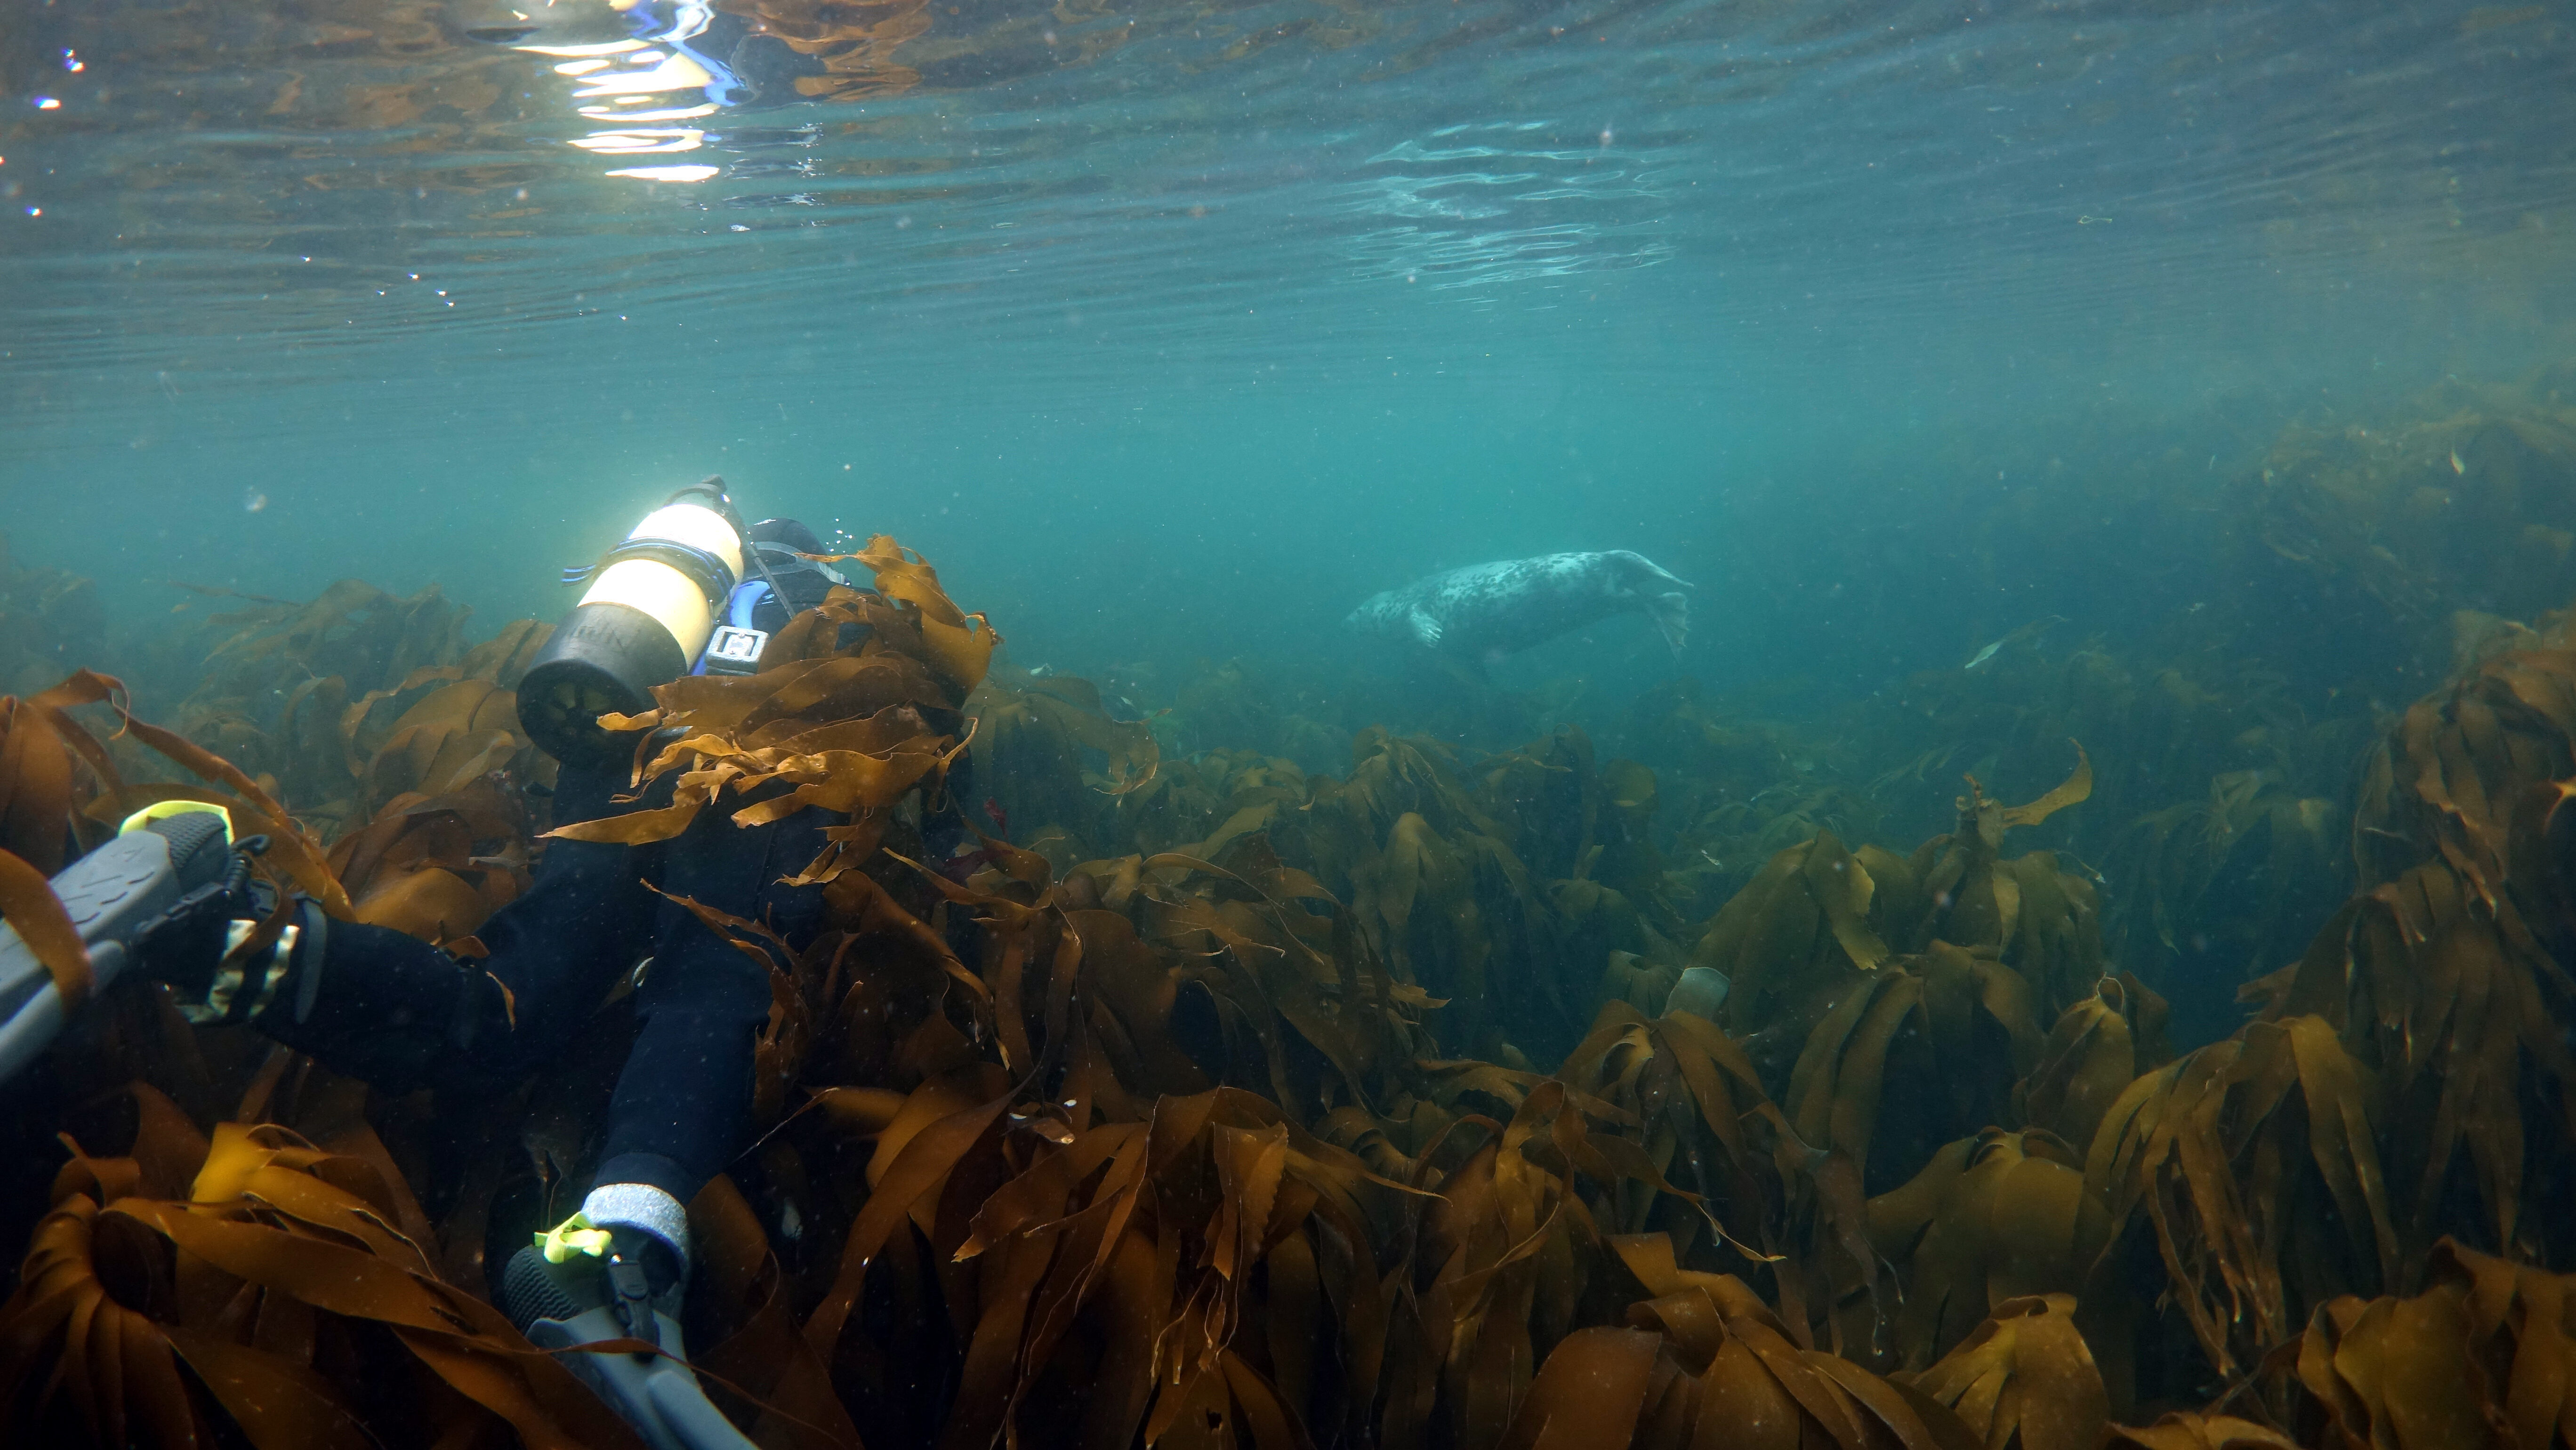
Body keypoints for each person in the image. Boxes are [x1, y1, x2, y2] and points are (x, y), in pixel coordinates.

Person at [129, 516, 934, 1446]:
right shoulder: (834, 604)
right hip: (752, 774)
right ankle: (628, 1241)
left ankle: (237, 942)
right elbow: (903, 744)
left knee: (509, 997)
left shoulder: (667, 594)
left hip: (614, 750)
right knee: (711, 974)